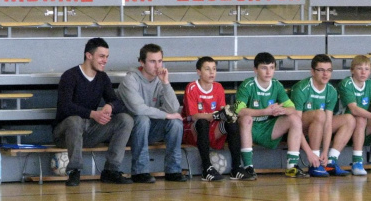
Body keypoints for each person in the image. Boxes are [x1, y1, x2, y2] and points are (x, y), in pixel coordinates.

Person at [53, 38, 134, 187]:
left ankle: (111, 170)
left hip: (89, 131)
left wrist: (110, 106)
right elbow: (65, 107)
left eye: (107, 57)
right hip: (64, 133)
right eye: (101, 56)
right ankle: (74, 171)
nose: (105, 60)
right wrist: (92, 114)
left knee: (125, 119)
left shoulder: (102, 78)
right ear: (89, 56)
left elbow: (118, 103)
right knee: (75, 120)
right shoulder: (70, 76)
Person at [235, 52, 319, 179]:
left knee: (294, 118)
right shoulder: (247, 85)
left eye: (272, 68)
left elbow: (292, 108)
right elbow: (239, 111)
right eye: (264, 68)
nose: (268, 72)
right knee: (246, 119)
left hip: (268, 128)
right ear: (255, 69)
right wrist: (265, 111)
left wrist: (283, 111)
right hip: (250, 128)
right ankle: (248, 167)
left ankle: (292, 167)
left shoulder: (277, 85)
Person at [118, 44, 187, 183]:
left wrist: (166, 83)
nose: (157, 66)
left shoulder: (160, 80)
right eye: (152, 61)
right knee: (142, 119)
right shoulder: (130, 79)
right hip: (129, 132)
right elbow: (138, 109)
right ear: (142, 62)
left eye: (160, 61)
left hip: (150, 130)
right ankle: (140, 171)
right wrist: (166, 115)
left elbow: (173, 109)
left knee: (176, 123)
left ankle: (173, 170)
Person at [182, 57, 252, 181]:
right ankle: (206, 168)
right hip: (193, 129)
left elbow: (221, 110)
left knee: (232, 123)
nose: (212, 72)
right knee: (202, 122)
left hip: (213, 128)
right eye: (207, 69)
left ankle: (236, 168)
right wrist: (212, 116)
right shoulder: (192, 87)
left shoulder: (218, 87)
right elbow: (193, 115)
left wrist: (227, 113)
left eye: (214, 69)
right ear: (199, 72)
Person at [290, 54, 355, 177]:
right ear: (312, 71)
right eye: (321, 70)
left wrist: (325, 151)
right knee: (320, 115)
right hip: (300, 128)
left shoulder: (331, 91)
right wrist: (311, 154)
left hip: (319, 125)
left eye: (329, 70)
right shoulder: (301, 88)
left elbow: (328, 124)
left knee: (349, 119)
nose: (325, 74)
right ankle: (314, 164)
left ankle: (330, 162)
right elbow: (295, 124)